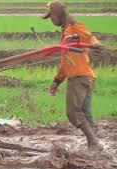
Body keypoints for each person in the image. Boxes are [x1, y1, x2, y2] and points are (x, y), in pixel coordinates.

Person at [42, 0, 104, 151]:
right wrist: (57, 81)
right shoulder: (66, 33)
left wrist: (96, 44)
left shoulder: (74, 25)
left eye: (51, 17)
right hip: (86, 77)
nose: (51, 20)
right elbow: (65, 61)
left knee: (72, 112)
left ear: (57, 14)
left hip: (79, 77)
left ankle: (94, 143)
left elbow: (89, 37)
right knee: (85, 112)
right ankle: (95, 144)